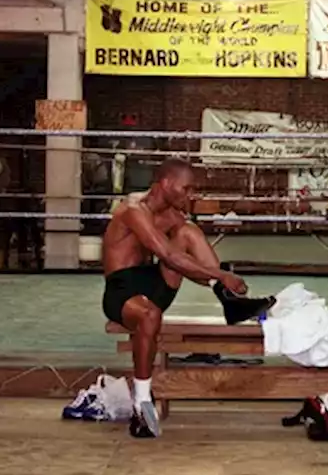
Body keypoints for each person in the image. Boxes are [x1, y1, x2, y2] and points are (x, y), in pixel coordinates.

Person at [102, 157, 247, 438]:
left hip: (154, 285)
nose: (190, 195)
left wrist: (216, 279)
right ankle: (142, 401)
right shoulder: (133, 210)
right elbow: (169, 256)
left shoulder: (173, 217)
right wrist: (220, 273)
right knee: (149, 315)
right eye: (186, 188)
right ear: (166, 184)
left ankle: (229, 300)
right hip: (122, 290)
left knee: (188, 231)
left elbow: (184, 264)